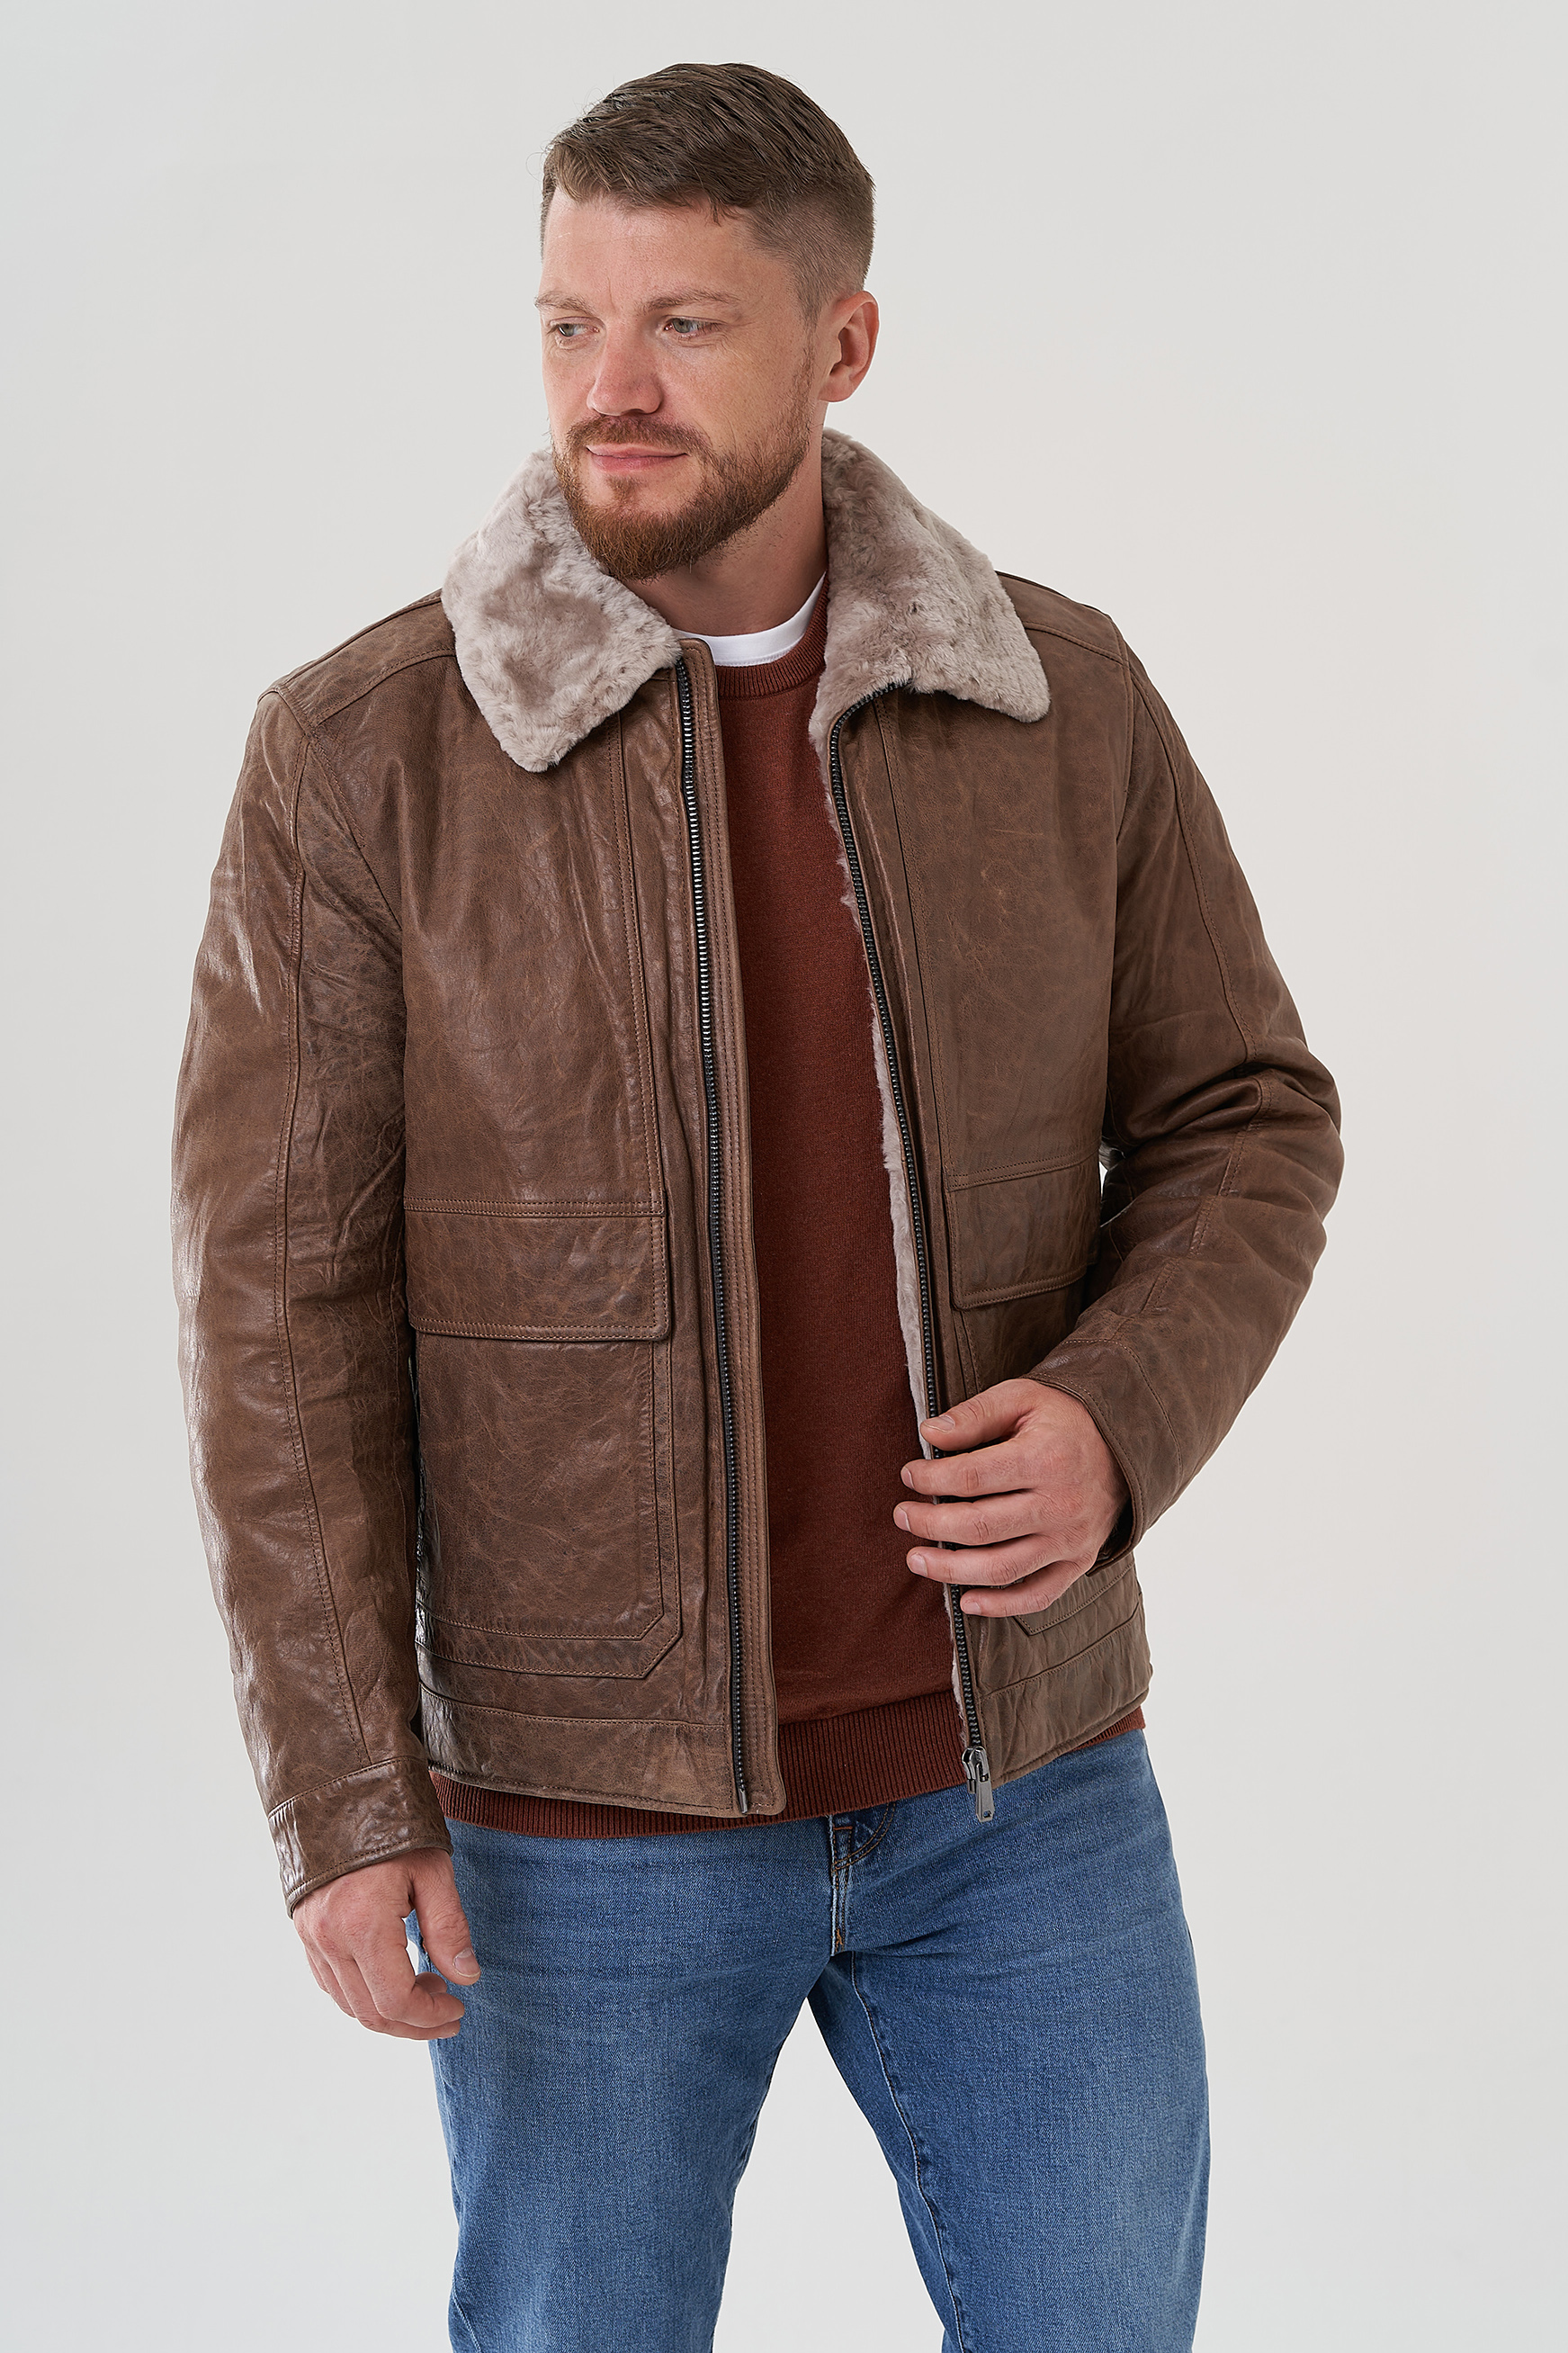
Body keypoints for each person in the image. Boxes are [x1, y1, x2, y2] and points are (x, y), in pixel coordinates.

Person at [172, 60, 1342, 2353]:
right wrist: (339, 1793)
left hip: (1019, 1795)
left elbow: (1243, 1113)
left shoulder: (1058, 702)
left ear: (841, 342)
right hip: (569, 1831)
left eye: (683, 325)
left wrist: (1115, 1420)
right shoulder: (362, 756)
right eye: (567, 322)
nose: (605, 390)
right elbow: (273, 1311)